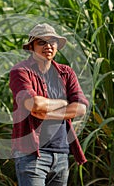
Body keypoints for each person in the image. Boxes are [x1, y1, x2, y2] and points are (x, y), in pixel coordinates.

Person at [9, 23, 89, 186]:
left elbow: (81, 107)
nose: (48, 46)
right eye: (41, 42)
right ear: (31, 47)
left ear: (57, 46)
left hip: (61, 153)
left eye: (52, 41)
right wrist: (64, 102)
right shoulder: (21, 72)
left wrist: (48, 113)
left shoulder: (66, 73)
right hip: (32, 154)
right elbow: (35, 104)